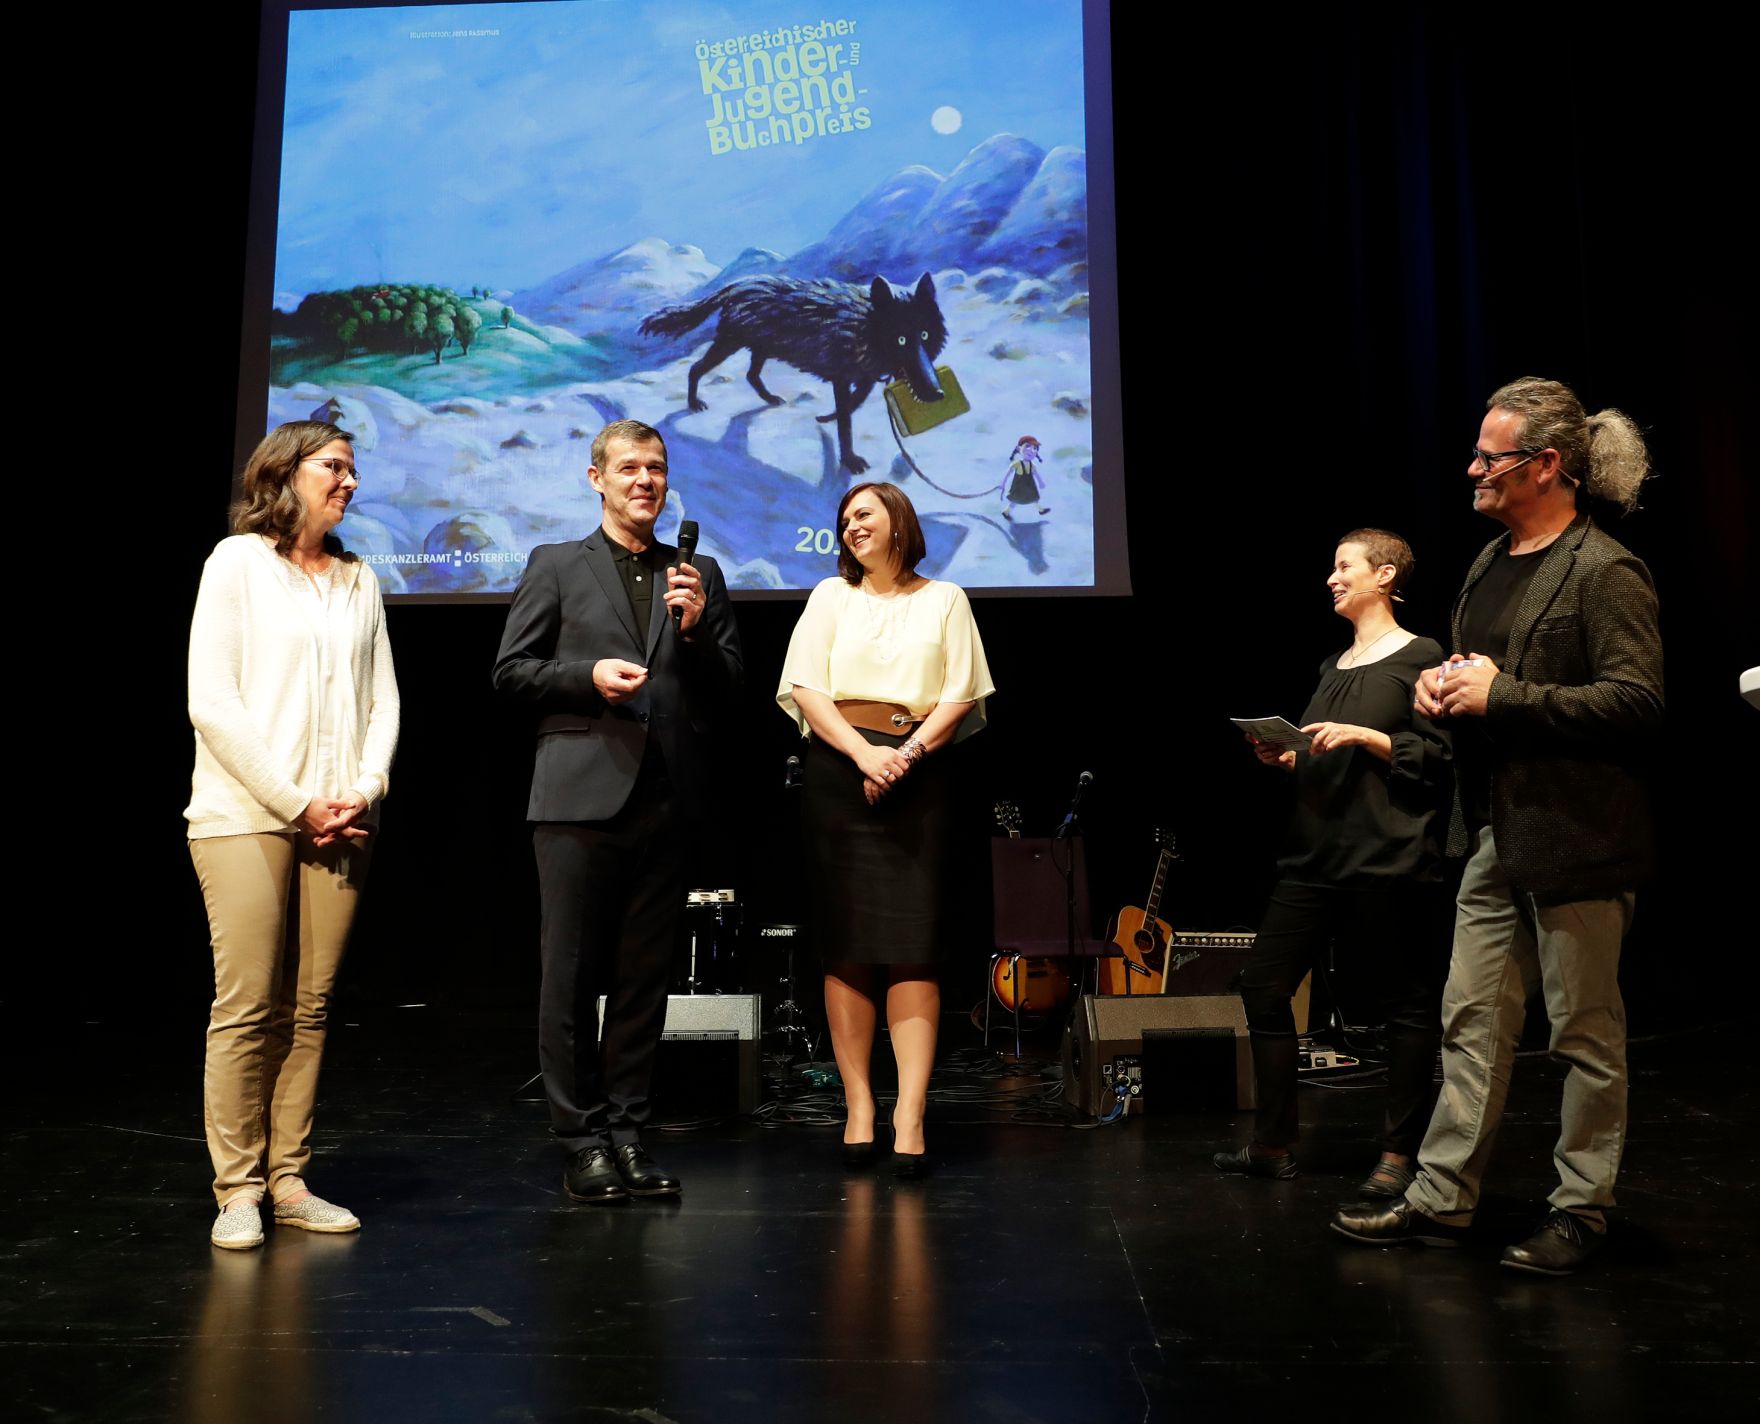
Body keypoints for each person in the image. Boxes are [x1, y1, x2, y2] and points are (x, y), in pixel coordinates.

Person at [1331, 378, 1663, 1275]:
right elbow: (1482, 676)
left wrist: (1502, 695)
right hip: (1490, 833)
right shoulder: (1488, 562)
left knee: (1584, 1034)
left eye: (1491, 456)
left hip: (1577, 840)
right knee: (1469, 1022)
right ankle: (1442, 1197)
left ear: (1546, 465)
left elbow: (1637, 702)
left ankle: (1582, 1206)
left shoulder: (1605, 570)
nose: (1473, 469)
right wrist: (1442, 689)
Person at [493, 419, 742, 1204]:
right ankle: (580, 1139)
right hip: (577, 795)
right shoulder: (556, 564)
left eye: (656, 468)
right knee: (569, 975)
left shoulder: (696, 574)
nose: (645, 480)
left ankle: (629, 1133)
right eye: (629, 467)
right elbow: (512, 671)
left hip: (667, 799)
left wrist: (695, 635)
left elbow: (730, 686)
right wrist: (585, 676)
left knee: (643, 980)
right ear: (595, 478)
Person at [186, 420, 400, 1250]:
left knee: (308, 1008)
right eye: (334, 466)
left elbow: (382, 700)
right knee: (246, 1006)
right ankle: (237, 1188)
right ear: (284, 473)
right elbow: (213, 701)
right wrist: (293, 800)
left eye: (353, 469)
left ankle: (288, 1181)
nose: (349, 482)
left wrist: (363, 789)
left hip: (342, 816)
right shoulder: (236, 563)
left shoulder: (358, 578)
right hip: (247, 814)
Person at [1215, 530, 1451, 1193]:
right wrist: (1287, 756)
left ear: (1385, 575)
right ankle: (1272, 1143)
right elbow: (1327, 759)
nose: (1332, 578)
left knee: (1404, 1005)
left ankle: (1399, 1154)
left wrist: (1368, 735)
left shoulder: (1423, 656)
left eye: (1344, 566)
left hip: (1384, 856)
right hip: (1314, 854)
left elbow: (1437, 759)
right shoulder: (1332, 667)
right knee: (1264, 988)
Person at [777, 482, 995, 1177]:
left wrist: (903, 756)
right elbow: (806, 688)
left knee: (913, 948)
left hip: (920, 777)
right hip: (840, 774)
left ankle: (911, 1112)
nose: (850, 527)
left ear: (899, 521)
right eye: (844, 519)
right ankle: (860, 1106)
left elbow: (960, 695)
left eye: (863, 514)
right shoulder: (829, 597)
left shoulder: (946, 599)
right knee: (846, 947)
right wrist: (865, 755)